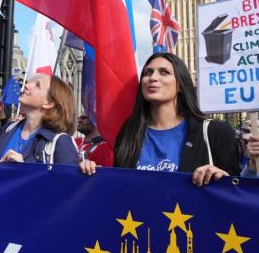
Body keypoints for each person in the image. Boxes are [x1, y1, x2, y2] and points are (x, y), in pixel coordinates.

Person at [80, 53, 241, 186]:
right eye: (148, 72)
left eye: (164, 72)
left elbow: (237, 194)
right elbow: (120, 189)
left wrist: (223, 177)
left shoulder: (215, 133)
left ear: (180, 85)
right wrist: (95, 173)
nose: (153, 78)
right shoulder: (129, 132)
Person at [0, 73, 79, 165]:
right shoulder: (9, 128)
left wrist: (24, 172)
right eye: (29, 82)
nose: (27, 86)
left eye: (37, 85)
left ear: (48, 103)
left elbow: (67, 190)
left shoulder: (60, 142)